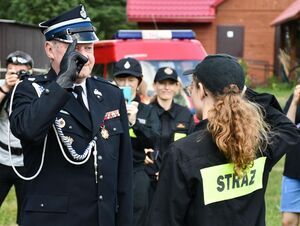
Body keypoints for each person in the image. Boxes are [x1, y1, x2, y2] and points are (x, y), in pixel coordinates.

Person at [9, 5, 132, 226]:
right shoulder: (30, 91)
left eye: (89, 48)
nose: (84, 57)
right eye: (75, 49)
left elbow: (123, 173)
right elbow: (29, 130)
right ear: (49, 49)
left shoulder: (110, 94)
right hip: (54, 220)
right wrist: (64, 81)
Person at [146, 54, 300, 226]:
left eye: (191, 88)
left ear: (202, 90)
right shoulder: (258, 143)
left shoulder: (182, 153)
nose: (190, 92)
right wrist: (241, 92)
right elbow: (288, 129)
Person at [112, 57, 160, 226]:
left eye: (131, 80)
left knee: (137, 217)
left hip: (136, 171)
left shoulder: (147, 111)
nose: (126, 84)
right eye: (121, 79)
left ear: (138, 82)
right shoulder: (105, 108)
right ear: (114, 81)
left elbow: (154, 140)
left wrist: (135, 123)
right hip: (111, 172)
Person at [146, 67, 195, 196]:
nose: (166, 87)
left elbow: (191, 149)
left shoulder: (185, 114)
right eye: (162, 83)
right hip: (149, 181)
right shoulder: (144, 113)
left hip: (177, 180)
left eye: (171, 83)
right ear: (154, 85)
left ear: (177, 86)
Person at [0, 51, 33, 225]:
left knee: (27, 213)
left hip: (26, 162)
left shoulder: (34, 89)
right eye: (12, 71)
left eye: (21, 72)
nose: (16, 75)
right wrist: (6, 87)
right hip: (2, 158)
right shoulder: (2, 85)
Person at [281, 84, 300, 226]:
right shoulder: (296, 98)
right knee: (288, 221)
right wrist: (294, 101)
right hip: (293, 170)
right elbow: (285, 128)